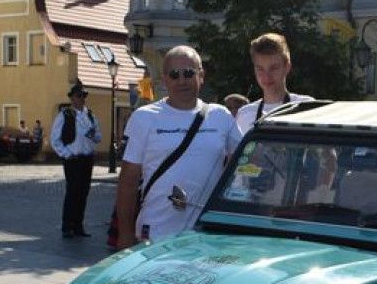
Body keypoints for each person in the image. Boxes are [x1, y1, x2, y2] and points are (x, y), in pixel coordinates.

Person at [114, 46, 241, 248]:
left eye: (189, 73)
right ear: (165, 79)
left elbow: (244, 165)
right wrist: (124, 235)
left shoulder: (221, 116)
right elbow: (128, 182)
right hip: (155, 236)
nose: (182, 80)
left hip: (207, 237)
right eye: (174, 74)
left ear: (201, 76)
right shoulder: (144, 117)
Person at [234, 33, 313, 135]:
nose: (267, 77)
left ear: (287, 67)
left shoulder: (306, 107)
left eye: (273, 68)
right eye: (260, 69)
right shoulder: (244, 114)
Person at [51, 81, 102, 238]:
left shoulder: (90, 115)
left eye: (83, 96)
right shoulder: (64, 115)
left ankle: (79, 226)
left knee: (83, 193)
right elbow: (55, 139)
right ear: (72, 98)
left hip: (87, 159)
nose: (81, 99)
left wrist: (94, 135)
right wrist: (66, 154)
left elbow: (98, 137)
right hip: (73, 159)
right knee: (72, 193)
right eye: (78, 96)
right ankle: (67, 226)